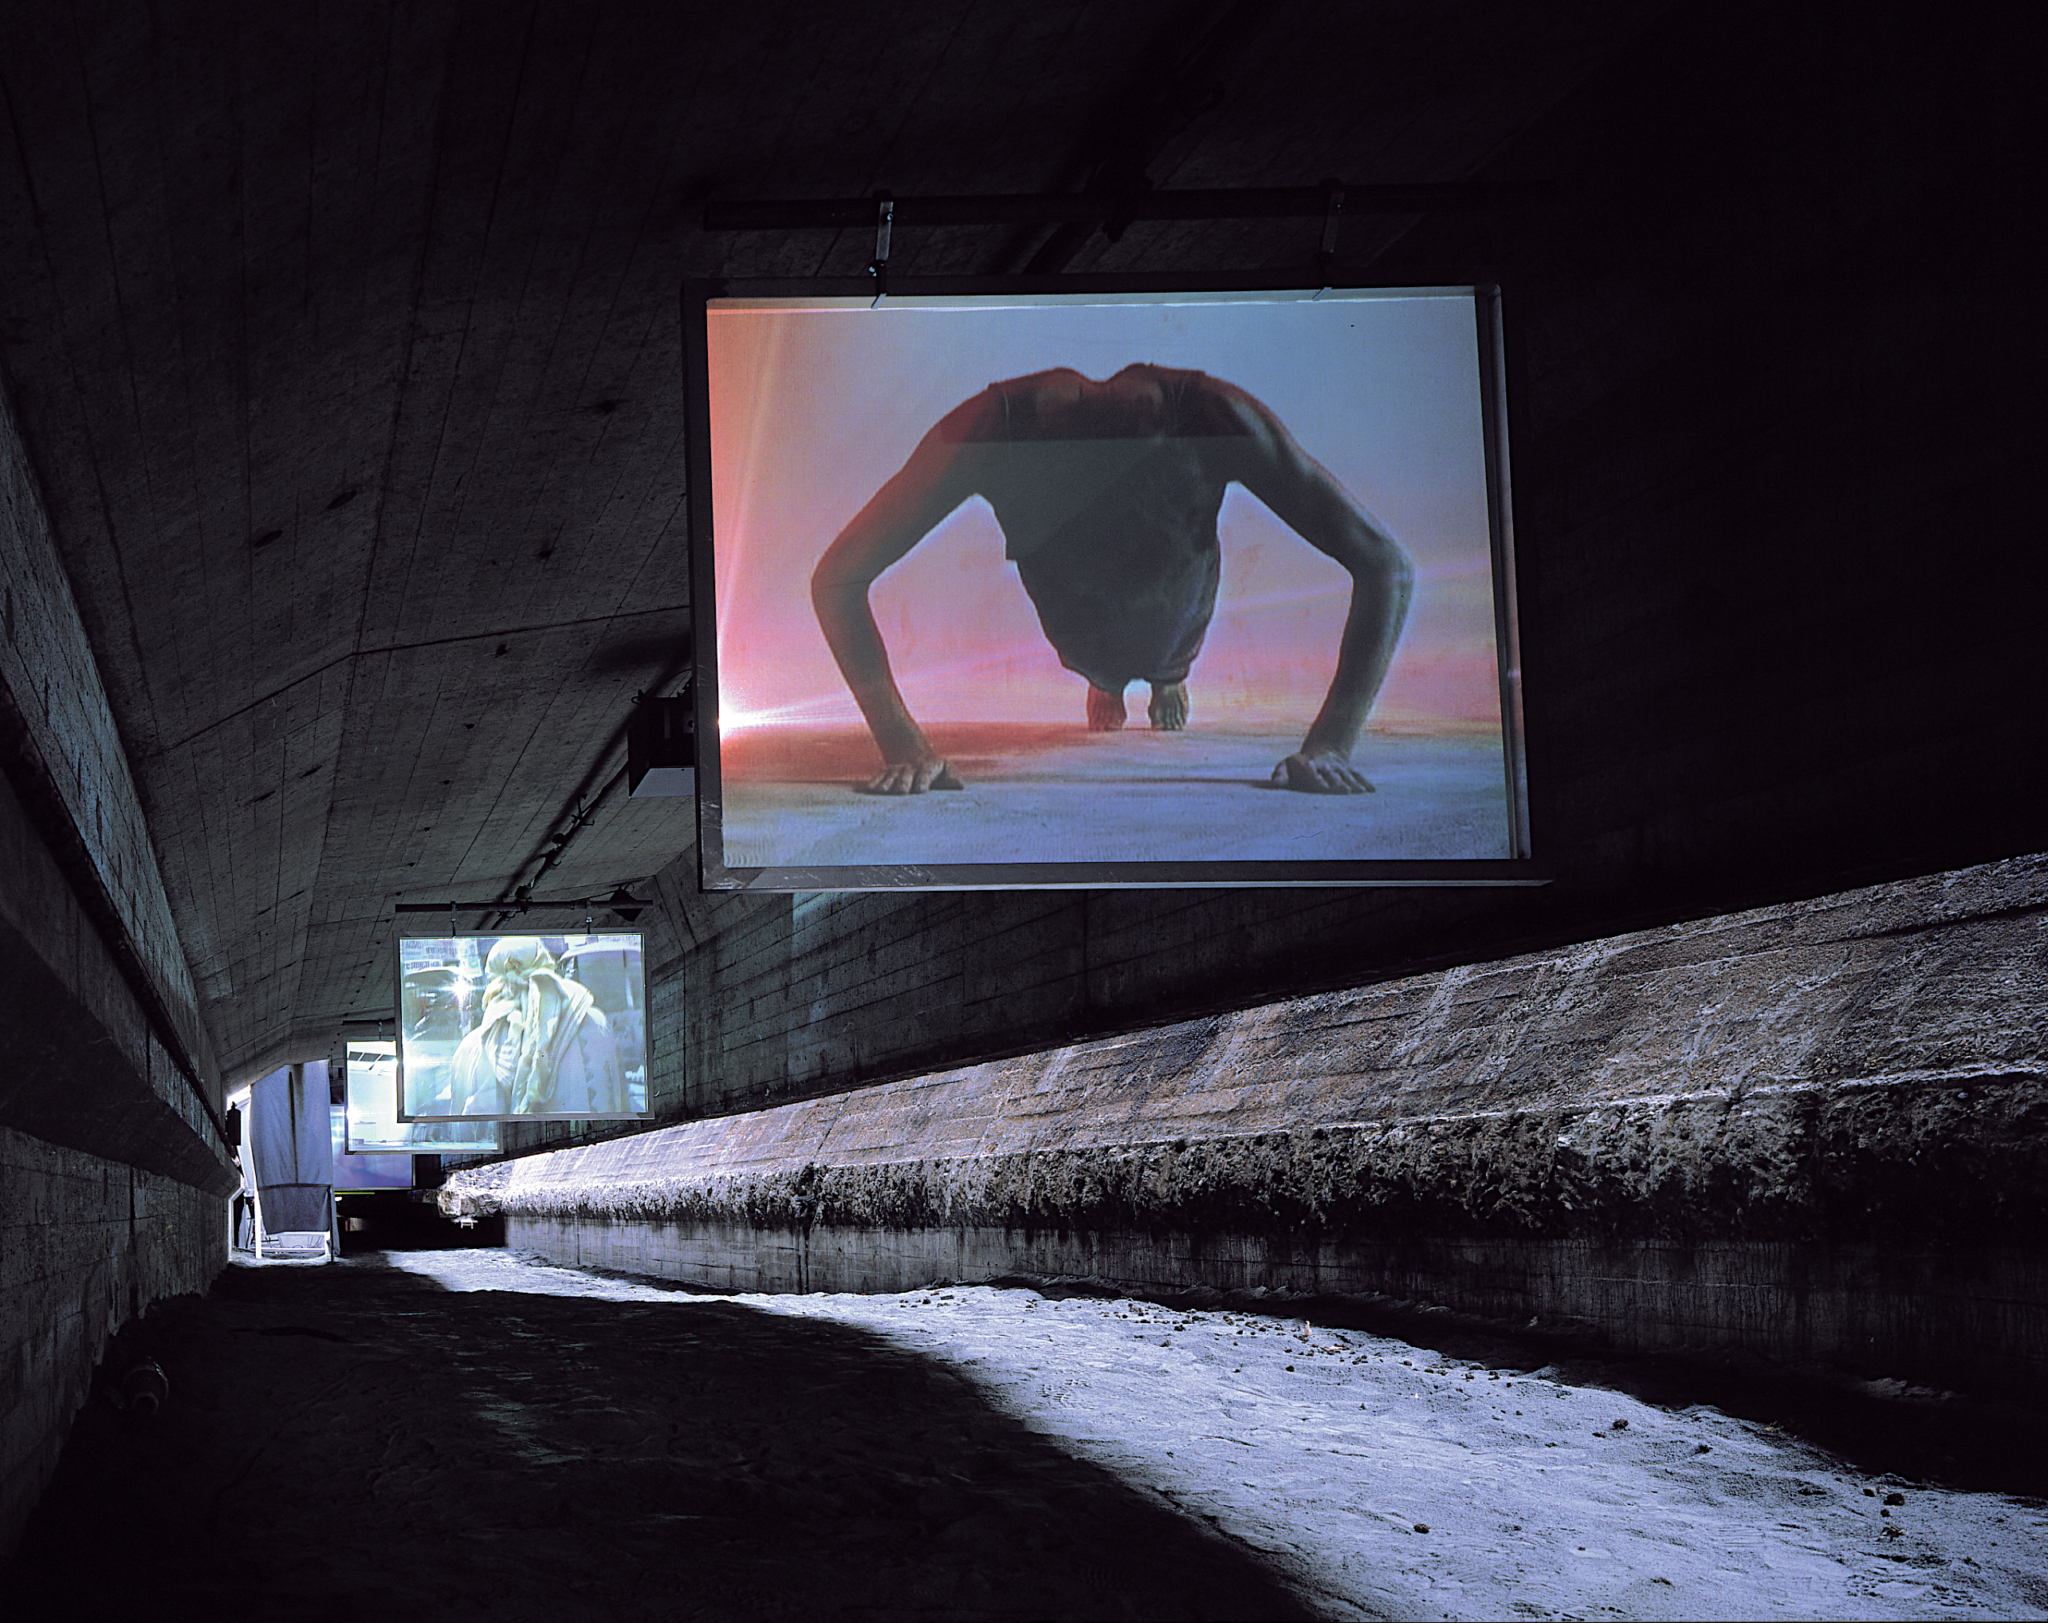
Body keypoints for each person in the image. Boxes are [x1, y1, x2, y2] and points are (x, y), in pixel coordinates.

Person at [811, 362, 1413, 795]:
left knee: (1166, 655)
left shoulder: (1209, 416)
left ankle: (1165, 679)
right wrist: (902, 745)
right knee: (1099, 664)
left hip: (1176, 614)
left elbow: (1384, 565)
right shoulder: (992, 429)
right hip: (1079, 633)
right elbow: (838, 580)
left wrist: (1332, 741)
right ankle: (1112, 681)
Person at [449, 937, 623, 1115]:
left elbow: (459, 1133)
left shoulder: (470, 1047)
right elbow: (616, 1100)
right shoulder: (595, 1021)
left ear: (492, 980)